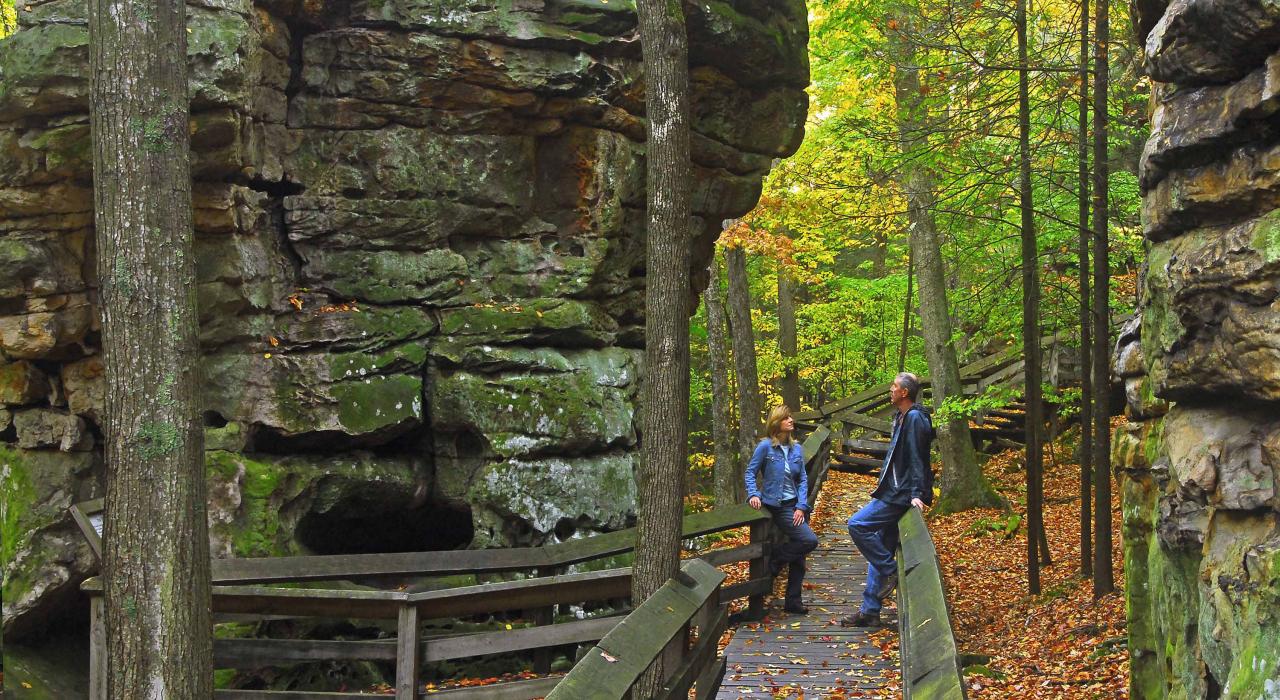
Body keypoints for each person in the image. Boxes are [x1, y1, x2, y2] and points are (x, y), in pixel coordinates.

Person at [841, 372, 934, 627]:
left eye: (894, 387)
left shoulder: (914, 418)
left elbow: (918, 457)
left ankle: (891, 571)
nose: (890, 390)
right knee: (880, 546)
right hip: (893, 490)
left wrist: (917, 494)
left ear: (904, 392)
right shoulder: (901, 417)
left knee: (857, 524)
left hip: (898, 495)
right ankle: (870, 610)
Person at [745, 405, 819, 615]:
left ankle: (793, 601)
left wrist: (801, 506)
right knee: (808, 541)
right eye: (786, 418)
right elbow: (750, 472)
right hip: (777, 506)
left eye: (791, 417)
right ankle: (777, 559)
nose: (791, 420)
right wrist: (753, 494)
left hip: (795, 505)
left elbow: (802, 479)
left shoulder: (797, 449)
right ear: (777, 423)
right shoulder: (765, 447)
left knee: (800, 556)